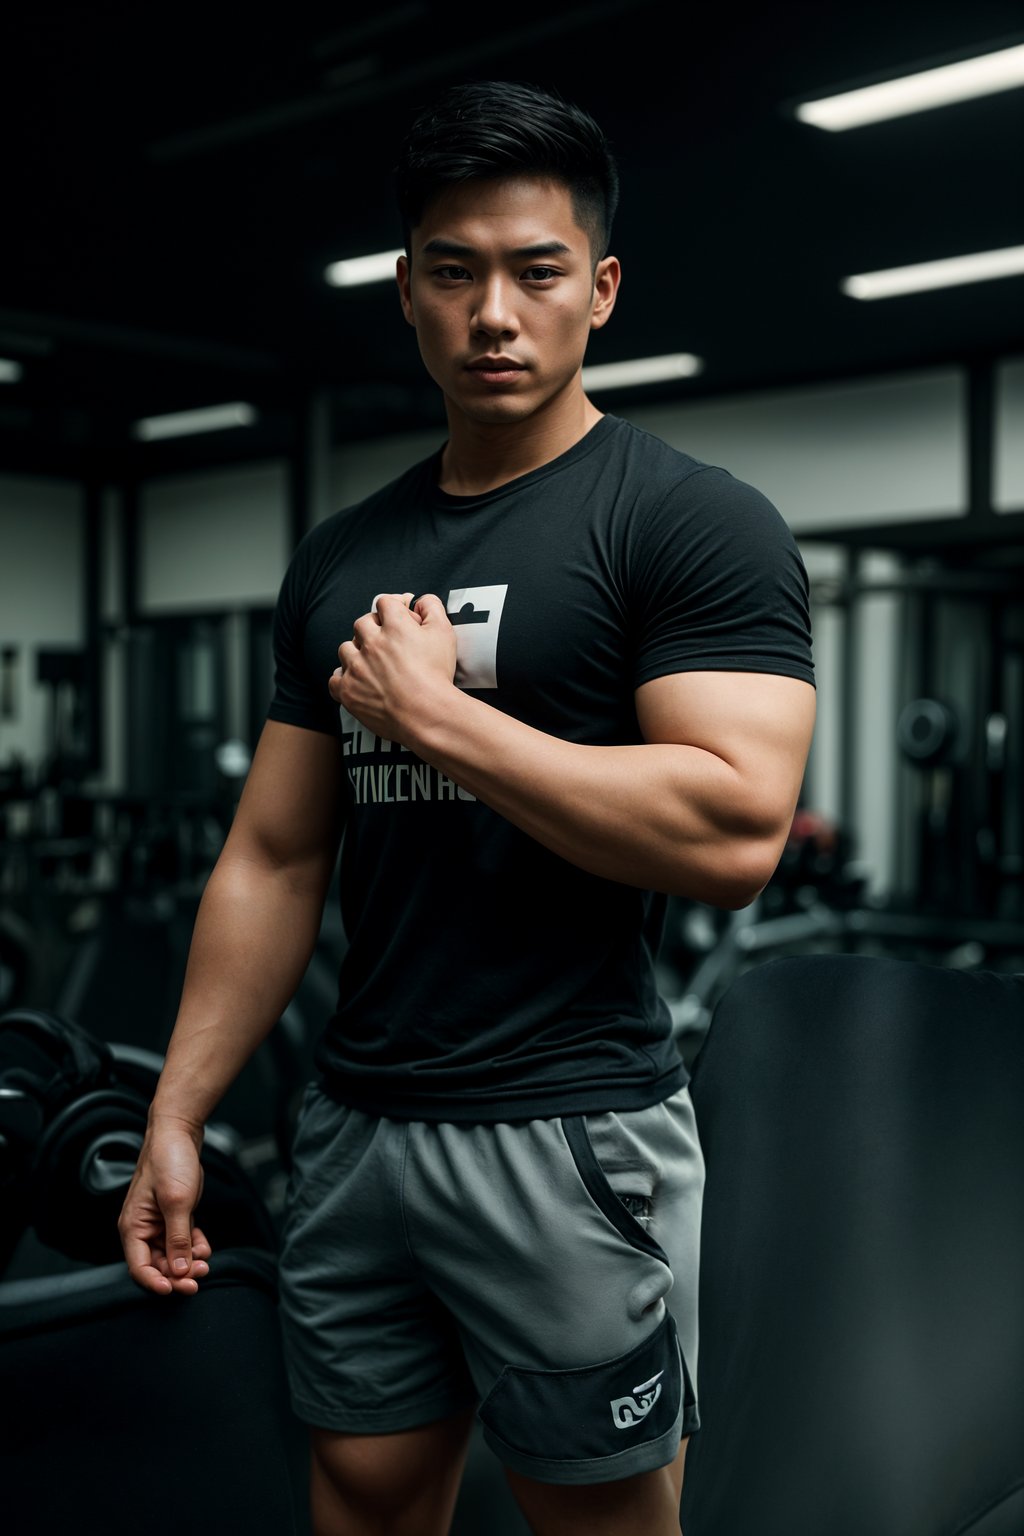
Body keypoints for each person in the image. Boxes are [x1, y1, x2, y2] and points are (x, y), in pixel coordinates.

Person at [118, 78, 816, 1536]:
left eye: (537, 270)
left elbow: (734, 831)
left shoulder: (686, 520)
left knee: (600, 1516)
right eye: (456, 272)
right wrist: (180, 1108)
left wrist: (438, 718)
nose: (494, 312)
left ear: (601, 289)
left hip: (568, 1124)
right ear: (409, 292)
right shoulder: (345, 553)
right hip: (359, 1125)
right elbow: (277, 848)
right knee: (364, 1498)